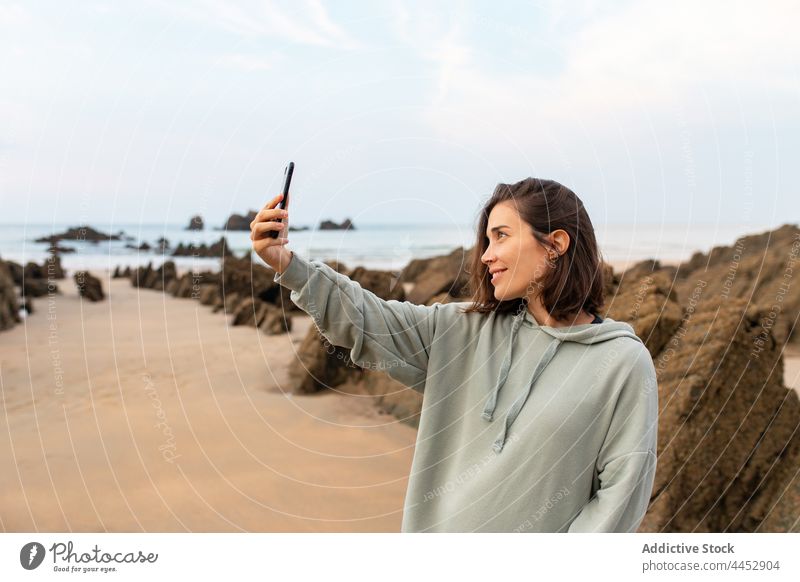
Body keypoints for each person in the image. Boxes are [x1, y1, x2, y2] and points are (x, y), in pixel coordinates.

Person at [250, 177, 658, 533]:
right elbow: (369, 320)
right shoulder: (461, 331)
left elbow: (619, 499)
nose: (485, 254)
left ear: (555, 244)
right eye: (487, 239)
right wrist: (287, 264)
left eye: (501, 235)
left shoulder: (621, 364)